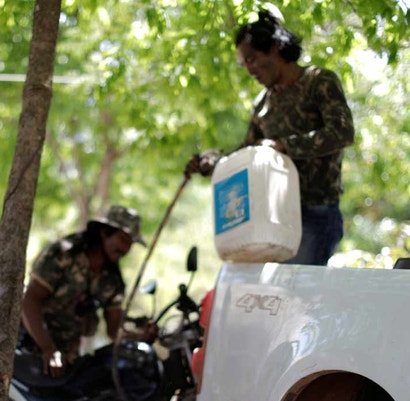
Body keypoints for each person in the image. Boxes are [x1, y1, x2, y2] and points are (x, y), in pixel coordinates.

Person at [186, 8, 355, 266]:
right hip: (273, 218)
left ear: (275, 47)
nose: (250, 70)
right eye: (245, 64)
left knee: (296, 297)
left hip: (316, 214)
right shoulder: (263, 104)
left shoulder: (318, 82)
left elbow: (342, 132)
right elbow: (247, 152)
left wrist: (284, 146)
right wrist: (211, 163)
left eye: (252, 59)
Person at [20, 205, 153, 378]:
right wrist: (48, 349)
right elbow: (30, 300)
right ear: (105, 232)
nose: (126, 248)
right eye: (123, 239)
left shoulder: (112, 280)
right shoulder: (64, 253)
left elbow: (114, 329)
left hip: (66, 361)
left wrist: (140, 336)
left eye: (131, 243)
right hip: (26, 347)